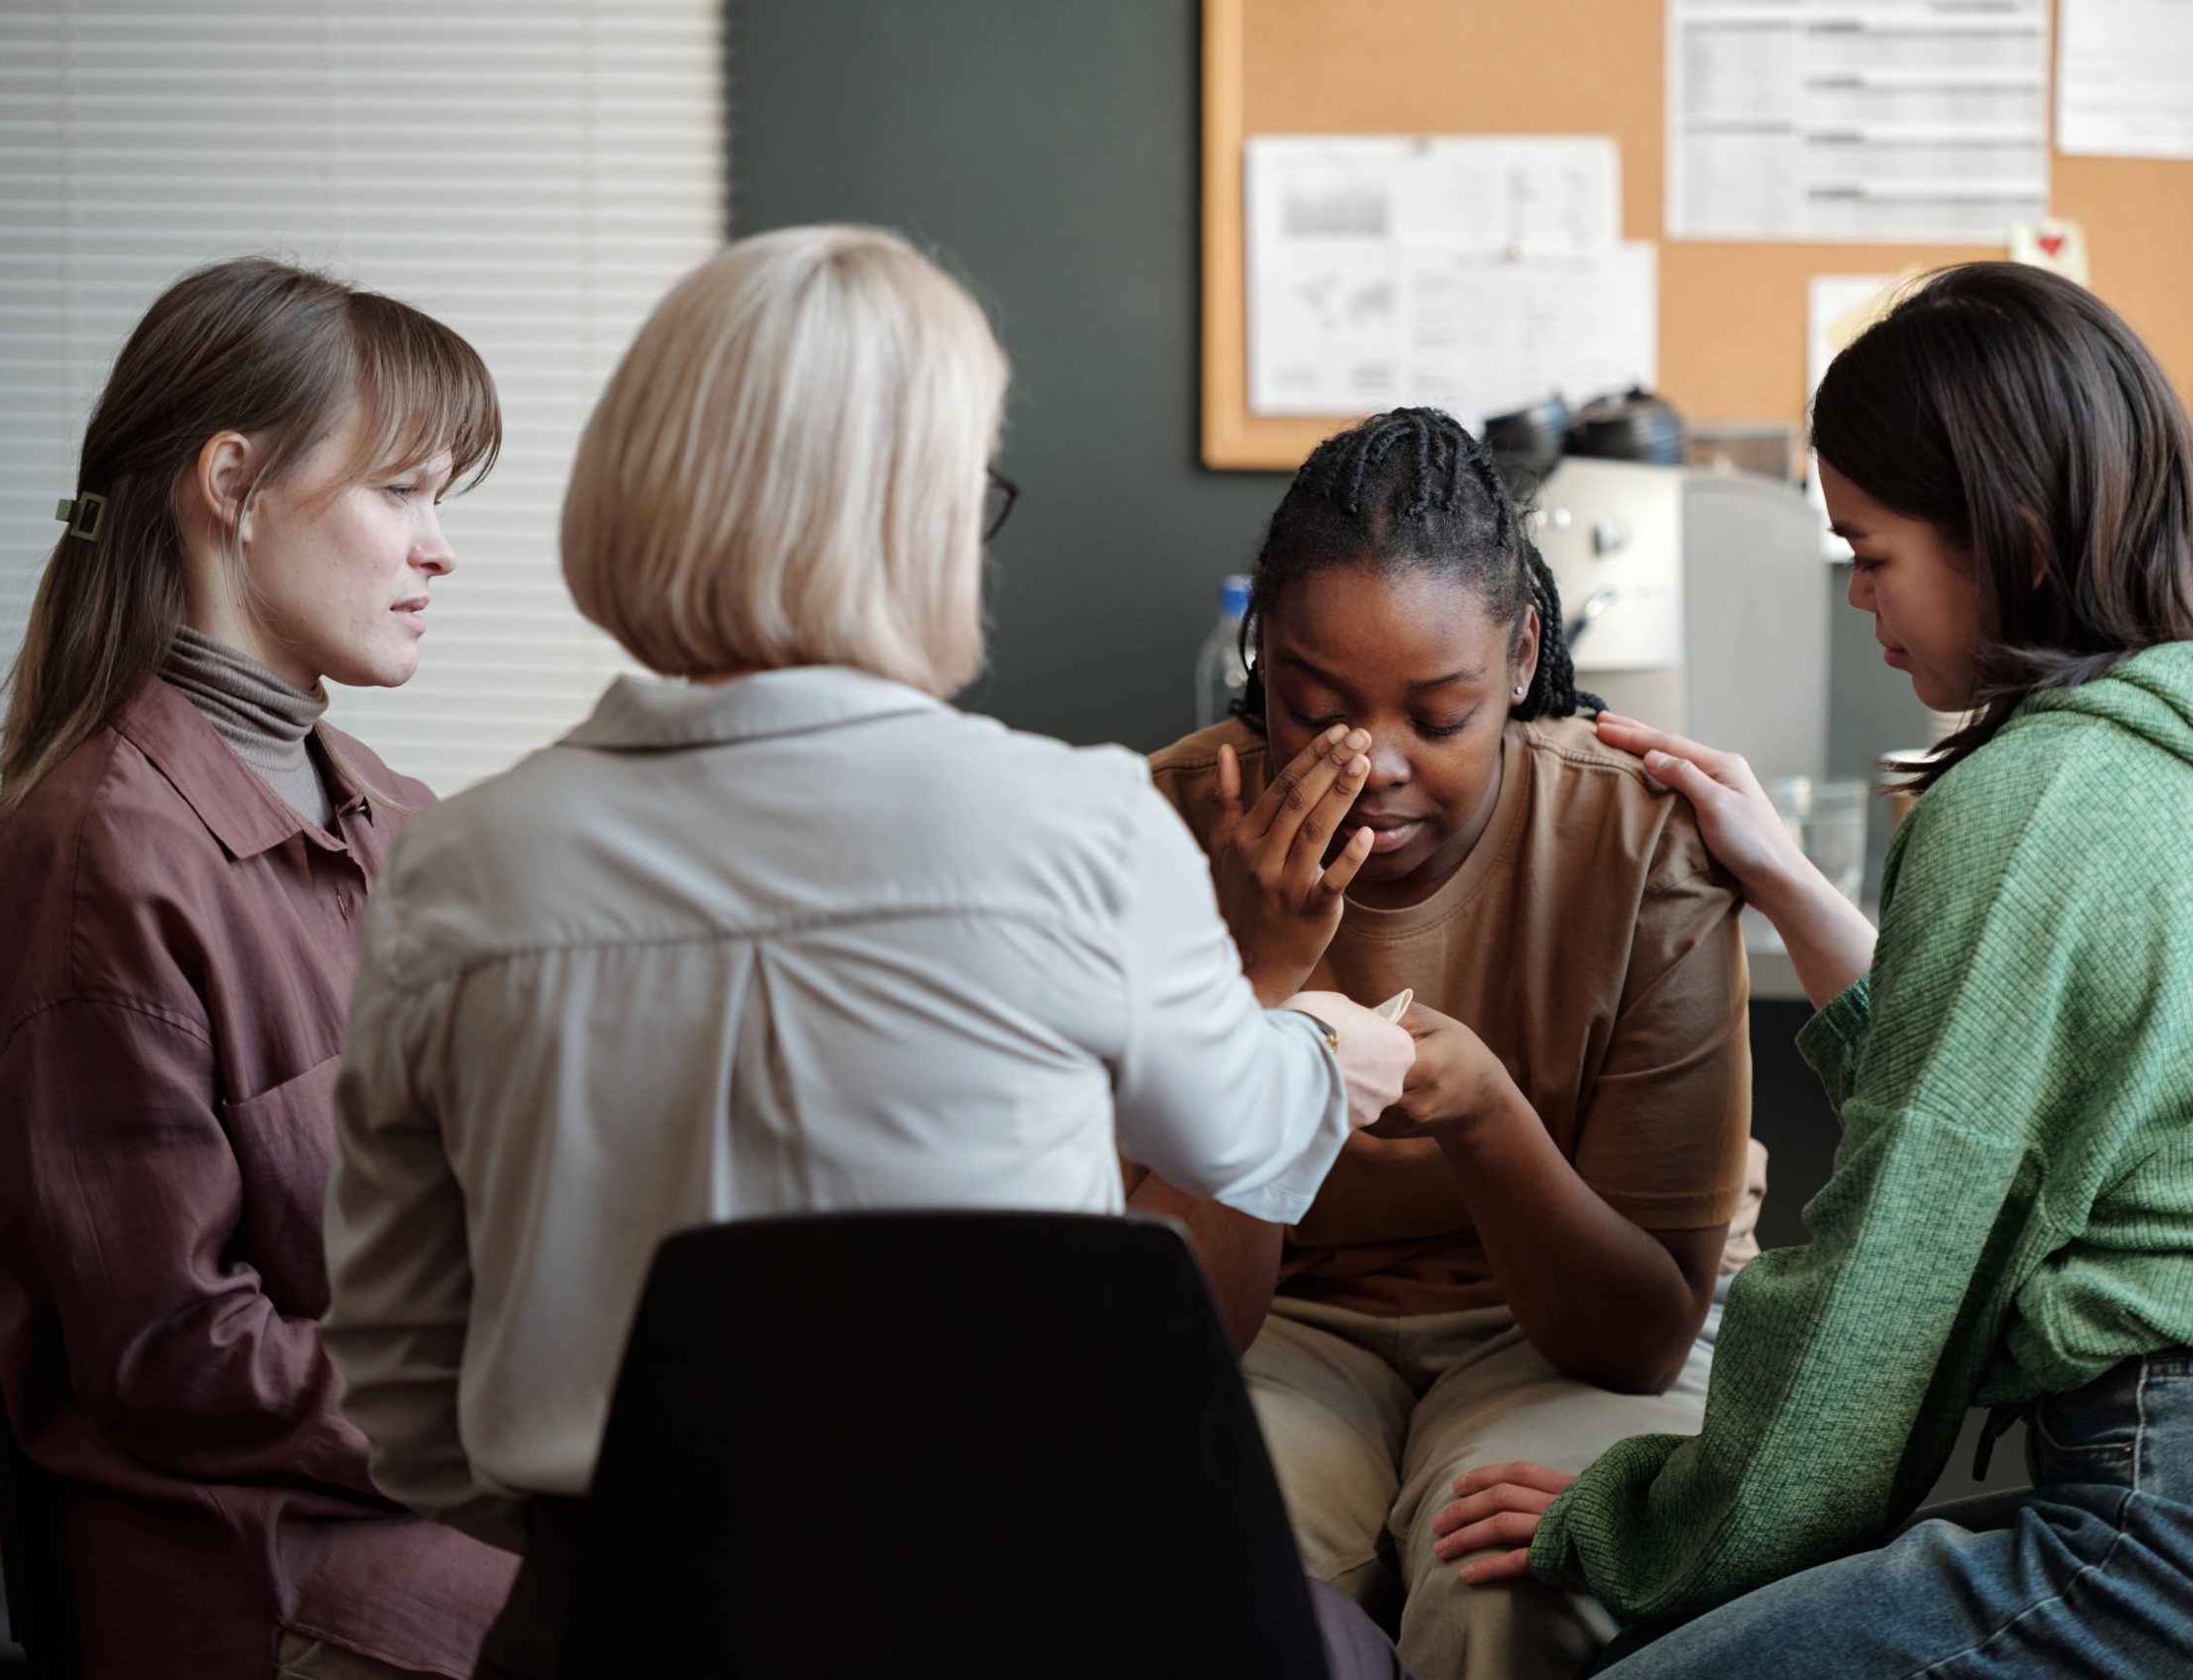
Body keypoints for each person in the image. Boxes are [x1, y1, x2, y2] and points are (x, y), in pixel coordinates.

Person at [315, 225, 1418, 1680]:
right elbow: (1248, 1138)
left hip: (623, 1626)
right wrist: (1337, 1054)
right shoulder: (1078, 825)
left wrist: (668, 1531)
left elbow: (399, 1395)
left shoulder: (457, 869)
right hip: (1022, 1623)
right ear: (928, 515)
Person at [1434, 263, 2193, 1679]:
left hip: (2181, 1535)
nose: (1859, 603)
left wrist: (1640, 1522)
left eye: (1872, 555)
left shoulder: (2041, 801)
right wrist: (1791, 878)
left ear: (2010, 534)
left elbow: (1882, 1294)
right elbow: (2030, 1092)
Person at [1133, 406, 1762, 1680]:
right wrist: (1258, 1001)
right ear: (1263, 663)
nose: (1376, 767)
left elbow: (1634, 1338)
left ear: (1524, 656)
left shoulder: (1638, 842)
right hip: (1282, 1333)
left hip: (1548, 1342)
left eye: (1441, 713)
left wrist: (1484, 1114)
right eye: (1317, 710)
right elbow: (1170, 1331)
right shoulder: (1170, 826)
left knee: (1507, 1585)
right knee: (1182, 1551)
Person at [0, 258, 518, 1678]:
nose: (439, 548)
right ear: (231, 482)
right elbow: (174, 1346)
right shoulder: (101, 859)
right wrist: (516, 1415)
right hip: (270, 1576)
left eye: (441, 502)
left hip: (444, 1503)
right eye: (399, 490)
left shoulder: (400, 815)